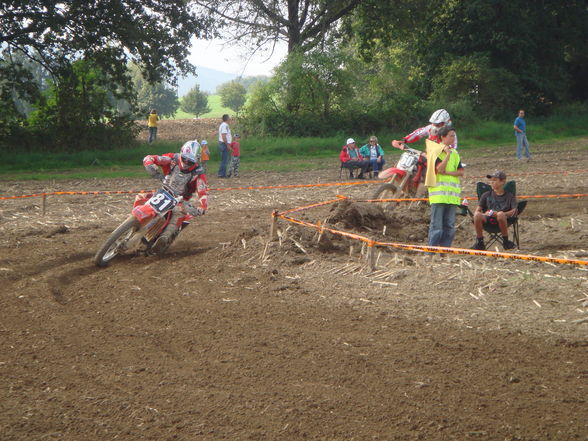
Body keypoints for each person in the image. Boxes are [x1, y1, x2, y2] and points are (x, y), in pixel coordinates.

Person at [142, 140, 208, 252]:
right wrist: (149, 162)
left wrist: (203, 206)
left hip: (180, 200)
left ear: (196, 161)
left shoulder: (198, 172)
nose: (187, 162)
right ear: (181, 153)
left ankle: (165, 238)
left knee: (180, 213)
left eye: (191, 161)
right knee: (141, 197)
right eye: (185, 158)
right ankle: (133, 220)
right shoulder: (172, 158)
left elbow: (202, 190)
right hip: (163, 192)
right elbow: (155, 158)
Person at [426, 126, 464, 248]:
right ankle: (432, 250)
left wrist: (448, 173)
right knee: (436, 225)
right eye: (451, 135)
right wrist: (447, 154)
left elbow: (461, 171)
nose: (453, 138)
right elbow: (439, 169)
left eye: (454, 135)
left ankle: (445, 250)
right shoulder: (435, 151)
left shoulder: (456, 153)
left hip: (452, 196)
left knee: (449, 225)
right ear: (443, 137)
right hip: (439, 195)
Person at [471, 171, 518, 250]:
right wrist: (484, 214)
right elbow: (477, 211)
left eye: (495, 180)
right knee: (477, 216)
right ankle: (480, 242)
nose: (492, 182)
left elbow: (515, 211)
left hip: (503, 220)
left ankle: (506, 242)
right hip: (488, 219)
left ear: (502, 181)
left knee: (500, 214)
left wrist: (501, 214)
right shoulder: (486, 195)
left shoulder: (510, 196)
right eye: (491, 180)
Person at [391, 108, 457, 150]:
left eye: (438, 124)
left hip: (442, 159)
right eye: (434, 123)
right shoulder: (430, 128)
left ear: (445, 123)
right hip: (428, 155)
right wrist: (404, 140)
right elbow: (418, 133)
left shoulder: (451, 135)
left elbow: (451, 149)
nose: (435, 126)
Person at [217, 114, 232, 178]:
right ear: (227, 119)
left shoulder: (224, 125)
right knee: (225, 159)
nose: (230, 119)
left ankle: (221, 173)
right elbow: (224, 136)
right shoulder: (224, 125)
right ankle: (222, 174)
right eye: (229, 118)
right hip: (224, 144)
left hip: (223, 144)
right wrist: (227, 145)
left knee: (224, 159)